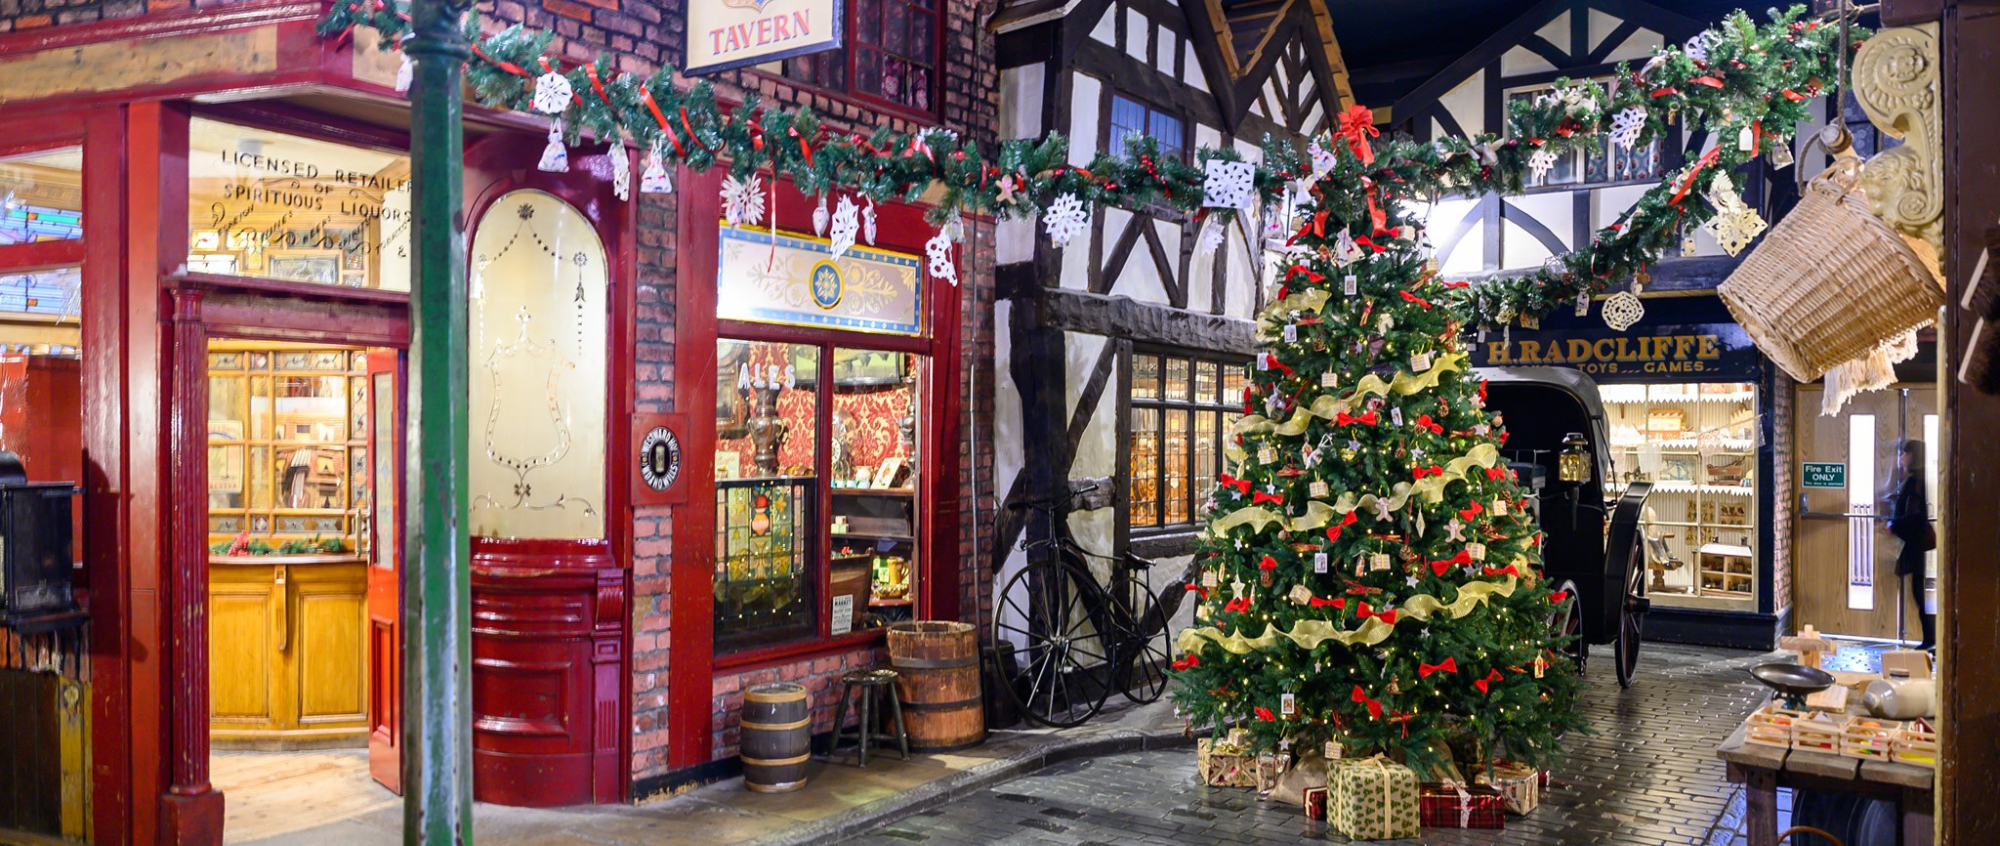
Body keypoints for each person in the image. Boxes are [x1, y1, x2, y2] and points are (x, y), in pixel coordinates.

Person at [1884, 439, 1936, 650]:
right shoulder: (1916, 479)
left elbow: (1915, 515)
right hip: (1916, 544)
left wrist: (1893, 523)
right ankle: (1929, 638)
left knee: (1919, 592)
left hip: (1916, 544)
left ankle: (1930, 638)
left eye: (1904, 453)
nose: (1900, 457)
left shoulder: (1917, 481)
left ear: (1913, 456)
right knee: (1918, 592)